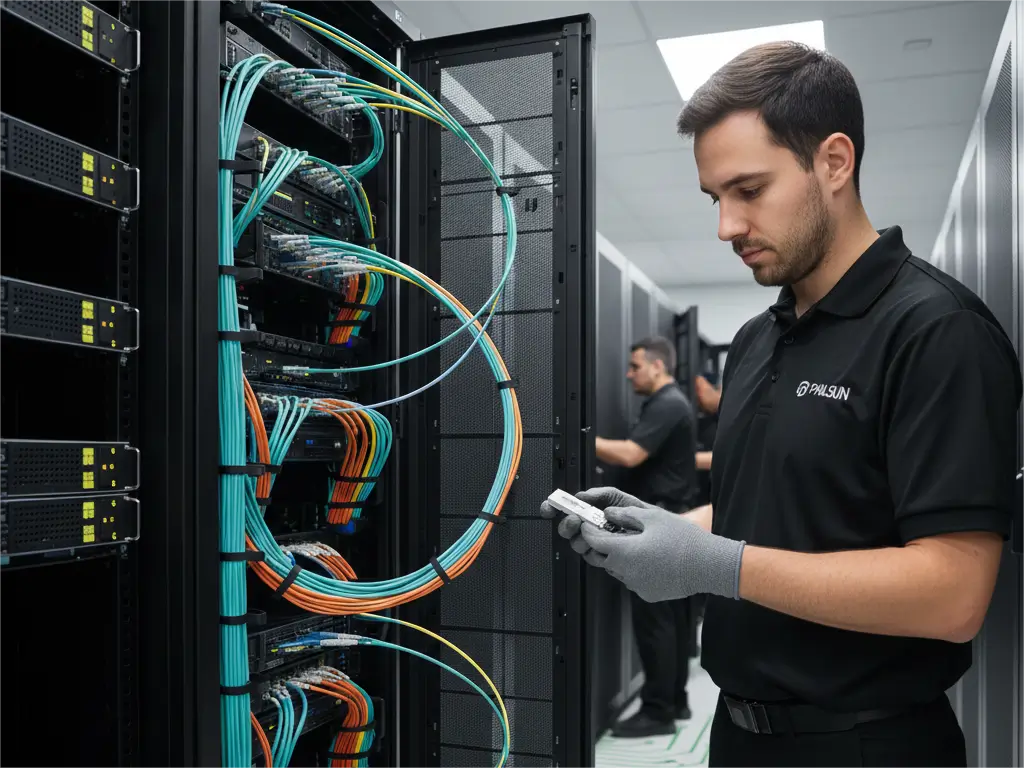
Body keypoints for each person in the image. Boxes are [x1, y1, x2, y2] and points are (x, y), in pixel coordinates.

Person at [543, 41, 1021, 767]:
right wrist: (662, 532)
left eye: (749, 190)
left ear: (834, 161)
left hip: (868, 743)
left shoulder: (934, 329)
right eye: (715, 198)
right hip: (737, 737)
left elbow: (955, 594)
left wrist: (713, 565)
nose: (726, 227)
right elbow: (764, 506)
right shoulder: (755, 340)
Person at [593, 336, 699, 737]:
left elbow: (632, 454)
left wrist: (580, 436)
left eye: (636, 366)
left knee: (656, 620)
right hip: (669, 519)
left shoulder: (669, 403)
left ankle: (658, 712)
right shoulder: (667, 403)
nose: (629, 373)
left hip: (661, 521)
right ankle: (675, 702)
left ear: (657, 366)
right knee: (671, 618)